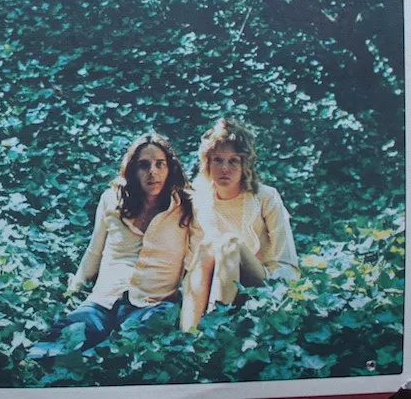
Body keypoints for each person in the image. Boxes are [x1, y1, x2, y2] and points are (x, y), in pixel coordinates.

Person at [29, 132, 202, 357]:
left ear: (170, 168)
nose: (152, 172)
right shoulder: (111, 200)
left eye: (160, 164)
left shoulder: (187, 206)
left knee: (132, 342)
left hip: (152, 304)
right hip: (105, 301)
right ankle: (28, 364)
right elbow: (94, 251)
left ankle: (94, 359)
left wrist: (190, 315)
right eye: (144, 165)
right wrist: (75, 288)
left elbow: (195, 263)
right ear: (132, 170)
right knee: (69, 332)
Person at [180, 118, 299, 332]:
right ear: (207, 163)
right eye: (218, 160)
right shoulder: (199, 199)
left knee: (230, 243)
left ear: (245, 165)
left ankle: (214, 330)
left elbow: (287, 262)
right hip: (215, 285)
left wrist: (278, 304)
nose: (224, 168)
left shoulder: (266, 197)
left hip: (261, 287)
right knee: (206, 248)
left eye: (233, 161)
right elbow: (195, 265)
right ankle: (189, 336)